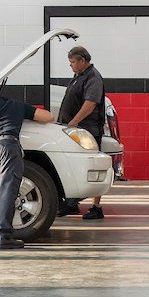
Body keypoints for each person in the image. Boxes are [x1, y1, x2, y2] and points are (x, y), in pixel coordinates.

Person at [0, 94, 54, 249]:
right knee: (7, 189)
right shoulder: (18, 105)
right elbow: (48, 117)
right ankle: (4, 236)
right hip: (8, 144)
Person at [57, 45, 107, 220]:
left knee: (93, 166)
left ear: (82, 60)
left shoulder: (93, 78)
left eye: (72, 62)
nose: (70, 65)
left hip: (88, 129)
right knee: (73, 165)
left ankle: (96, 207)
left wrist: (74, 122)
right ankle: (71, 204)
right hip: (76, 129)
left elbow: (90, 104)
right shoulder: (79, 76)